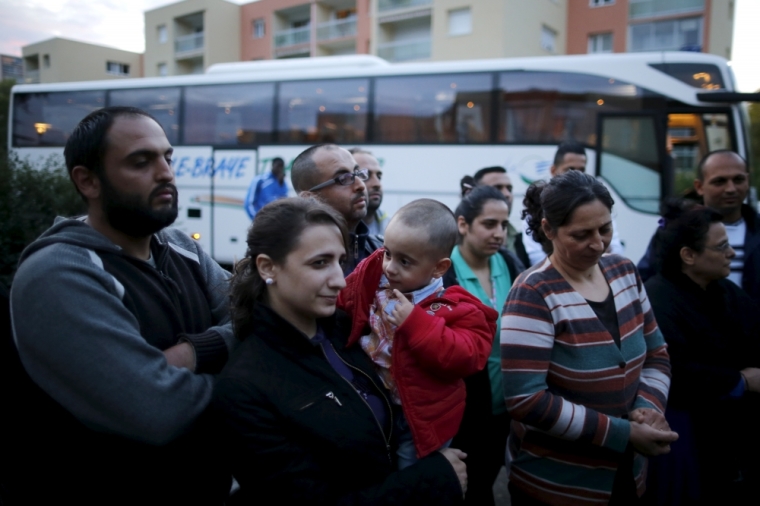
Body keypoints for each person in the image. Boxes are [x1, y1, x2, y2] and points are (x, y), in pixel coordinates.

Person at [7, 107, 235, 504]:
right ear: (88, 181)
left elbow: (263, 319)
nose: (165, 173)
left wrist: (198, 350)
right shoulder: (58, 273)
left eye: (168, 157)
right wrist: (262, 382)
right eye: (141, 162)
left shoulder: (181, 247)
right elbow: (156, 409)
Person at [211, 197, 467, 504]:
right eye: (319, 263)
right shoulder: (245, 388)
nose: (338, 280)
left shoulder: (350, 331)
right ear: (268, 267)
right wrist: (433, 479)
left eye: (340, 261)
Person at [501, 170, 677, 506]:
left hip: (629, 477)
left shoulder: (624, 272)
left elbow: (657, 356)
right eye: (581, 234)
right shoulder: (533, 292)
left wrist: (647, 409)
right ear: (548, 229)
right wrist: (624, 434)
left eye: (605, 229)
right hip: (558, 485)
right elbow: (526, 400)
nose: (598, 243)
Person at [337, 199, 498, 470]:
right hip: (377, 405)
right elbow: (344, 299)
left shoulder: (459, 308)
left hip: (423, 420)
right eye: (388, 253)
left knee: (412, 478)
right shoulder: (375, 278)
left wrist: (415, 322)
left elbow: (466, 357)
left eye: (405, 261)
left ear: (439, 268)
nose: (390, 267)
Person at [644, 199, 760, 505]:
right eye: (721, 247)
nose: (732, 253)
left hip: (731, 439)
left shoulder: (723, 289)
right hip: (689, 442)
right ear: (688, 255)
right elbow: (677, 372)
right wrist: (741, 381)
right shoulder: (658, 299)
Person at [442, 185, 525, 506]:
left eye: (504, 225)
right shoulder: (444, 272)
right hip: (470, 413)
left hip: (514, 407)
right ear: (463, 225)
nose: (499, 233)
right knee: (475, 489)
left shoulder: (509, 263)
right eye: (489, 224)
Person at [638, 150, 760, 301]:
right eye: (719, 181)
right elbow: (645, 282)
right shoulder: (676, 231)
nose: (731, 189)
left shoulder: (755, 230)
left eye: (738, 180)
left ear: (748, 181)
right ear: (699, 186)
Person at [522, 142, 624, 266]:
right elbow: (536, 257)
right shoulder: (539, 207)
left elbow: (616, 249)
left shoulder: (598, 203)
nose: (597, 245)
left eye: (582, 169)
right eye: (580, 235)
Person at [292, 143, 382, 275]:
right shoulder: (295, 257)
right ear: (310, 197)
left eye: (358, 173)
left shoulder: (382, 251)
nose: (361, 185)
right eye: (344, 178)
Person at [350, 147, 390, 236]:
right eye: (365, 176)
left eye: (379, 177)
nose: (377, 184)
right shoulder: (331, 232)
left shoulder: (392, 228)